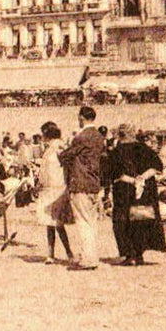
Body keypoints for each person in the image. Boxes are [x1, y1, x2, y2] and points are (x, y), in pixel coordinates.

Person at [104, 124, 166, 266]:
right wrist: (141, 179)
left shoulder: (116, 152)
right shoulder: (144, 149)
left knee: (123, 221)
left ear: (120, 135)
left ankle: (129, 254)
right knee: (142, 219)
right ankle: (139, 254)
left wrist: (133, 180)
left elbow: (114, 174)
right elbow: (157, 167)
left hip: (124, 191)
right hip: (145, 190)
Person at [59, 105, 106, 271]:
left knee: (83, 222)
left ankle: (88, 259)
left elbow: (67, 156)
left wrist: (60, 152)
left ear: (81, 118)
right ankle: (92, 256)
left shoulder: (81, 137)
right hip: (94, 183)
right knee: (91, 222)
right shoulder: (99, 137)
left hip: (80, 183)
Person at [34, 121, 74, 264]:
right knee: (50, 223)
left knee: (57, 223)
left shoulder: (59, 147)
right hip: (49, 188)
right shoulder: (50, 148)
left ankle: (69, 253)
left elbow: (68, 165)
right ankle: (51, 253)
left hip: (57, 188)